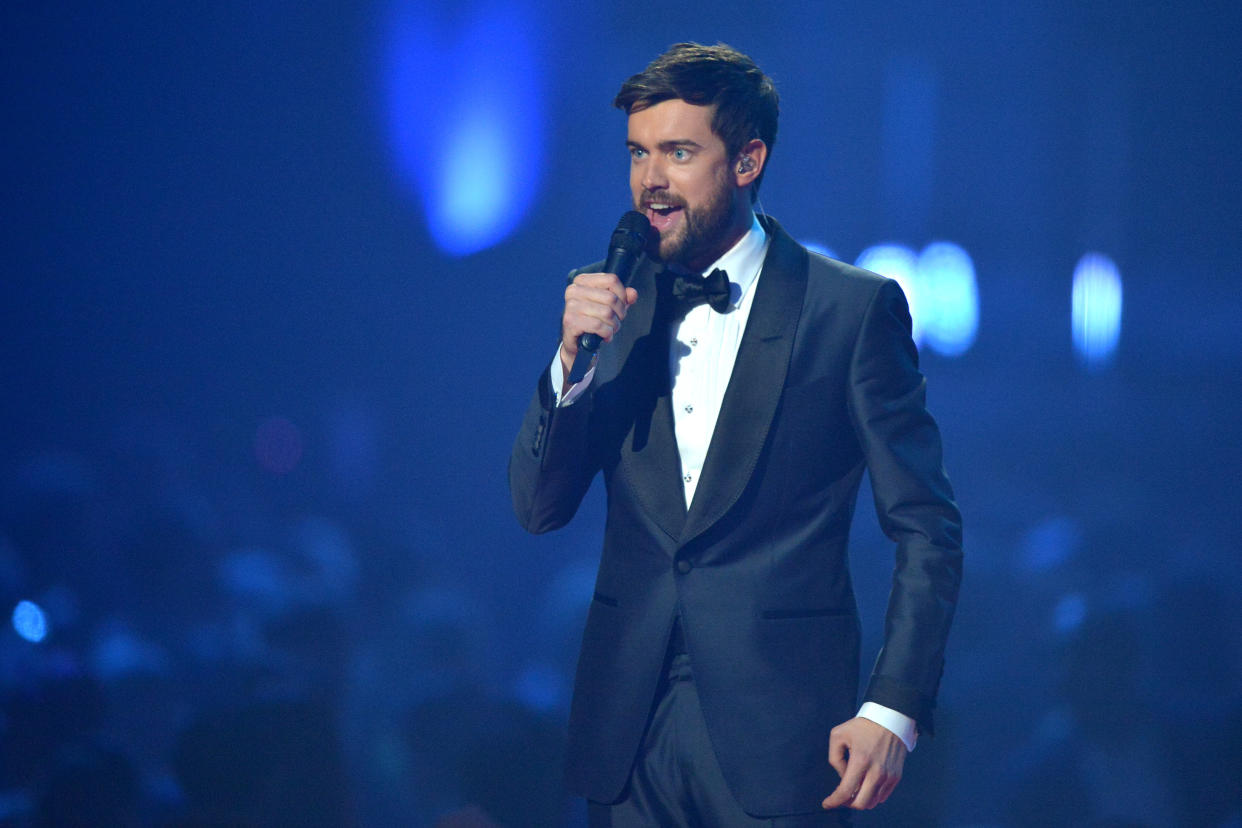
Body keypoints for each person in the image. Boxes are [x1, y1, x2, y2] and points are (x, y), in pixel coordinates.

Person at [509, 42, 962, 826]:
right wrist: (569, 363)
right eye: (638, 154)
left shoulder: (849, 311)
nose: (651, 179)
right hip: (627, 735)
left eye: (679, 152)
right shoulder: (610, 307)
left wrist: (894, 705)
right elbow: (538, 509)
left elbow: (927, 527)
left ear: (747, 160)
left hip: (785, 738)